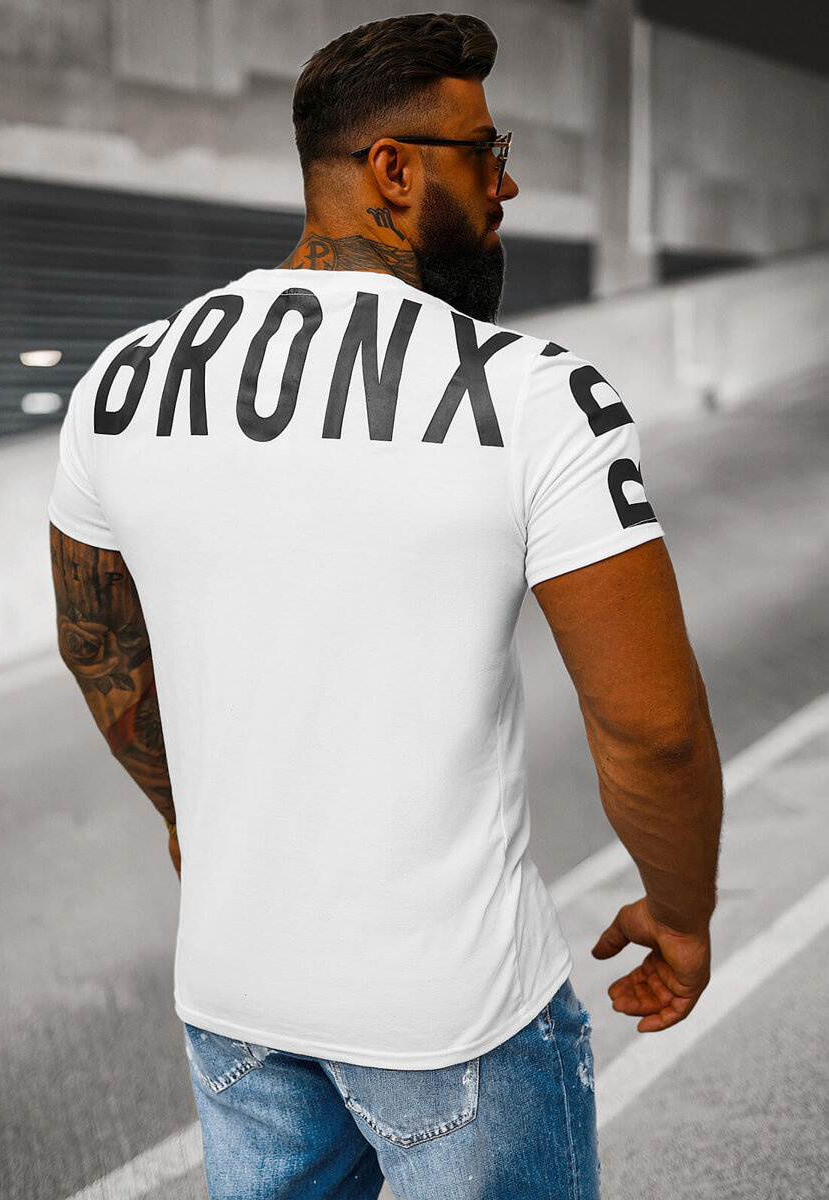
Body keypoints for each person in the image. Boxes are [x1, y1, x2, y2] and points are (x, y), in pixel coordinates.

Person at [47, 12, 723, 1199]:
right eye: (486, 151)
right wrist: (681, 911)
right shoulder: (535, 397)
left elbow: (98, 646)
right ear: (395, 170)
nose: (507, 183)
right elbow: (651, 727)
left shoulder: (125, 381)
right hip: (456, 1018)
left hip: (237, 1002)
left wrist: (186, 815)